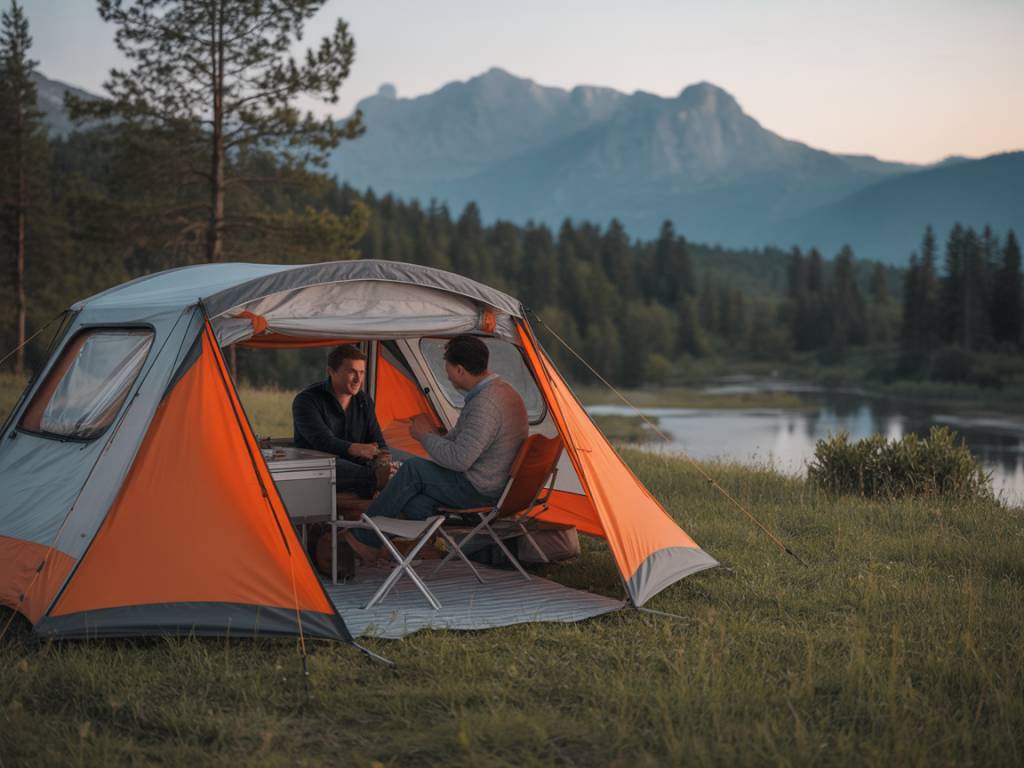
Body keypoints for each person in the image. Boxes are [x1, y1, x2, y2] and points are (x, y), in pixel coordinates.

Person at [346, 334, 529, 561]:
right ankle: (419, 545)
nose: (448, 375)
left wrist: (424, 436)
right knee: (416, 502)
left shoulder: (486, 404)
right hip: (496, 485)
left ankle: (363, 538)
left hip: (479, 490)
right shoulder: (501, 392)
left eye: (449, 369)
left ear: (460, 370)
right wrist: (433, 434)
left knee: (412, 470)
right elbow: (461, 438)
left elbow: (459, 460)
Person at [292, 344, 388, 498]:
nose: (358, 379)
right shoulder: (306, 400)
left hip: (358, 463)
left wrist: (384, 460)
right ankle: (378, 484)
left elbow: (378, 441)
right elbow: (322, 441)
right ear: (331, 371)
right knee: (371, 475)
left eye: (362, 372)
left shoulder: (364, 400)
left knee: (405, 467)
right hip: (319, 466)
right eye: (352, 372)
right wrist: (357, 449)